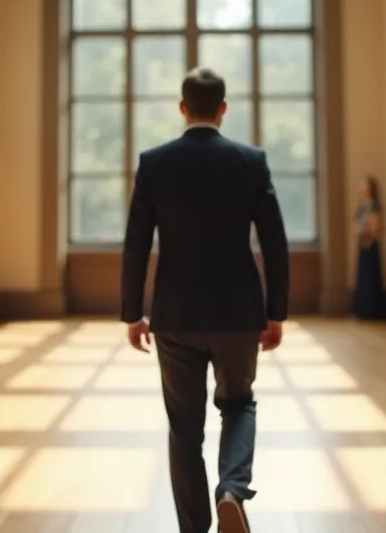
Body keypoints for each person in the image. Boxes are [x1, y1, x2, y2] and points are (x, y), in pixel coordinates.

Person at [121, 67, 290, 533]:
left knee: (184, 429)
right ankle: (232, 490)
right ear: (222, 109)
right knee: (239, 404)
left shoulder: (155, 163)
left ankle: (193, 530)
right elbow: (274, 241)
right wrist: (276, 313)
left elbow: (137, 243)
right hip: (239, 313)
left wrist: (133, 313)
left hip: (175, 315)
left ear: (182, 109)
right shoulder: (249, 162)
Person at [351, 176, 386, 319]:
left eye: (364, 185)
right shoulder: (363, 205)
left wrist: (367, 232)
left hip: (370, 244)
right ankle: (362, 310)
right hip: (362, 244)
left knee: (370, 277)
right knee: (363, 277)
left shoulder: (374, 206)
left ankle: (372, 310)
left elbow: (375, 226)